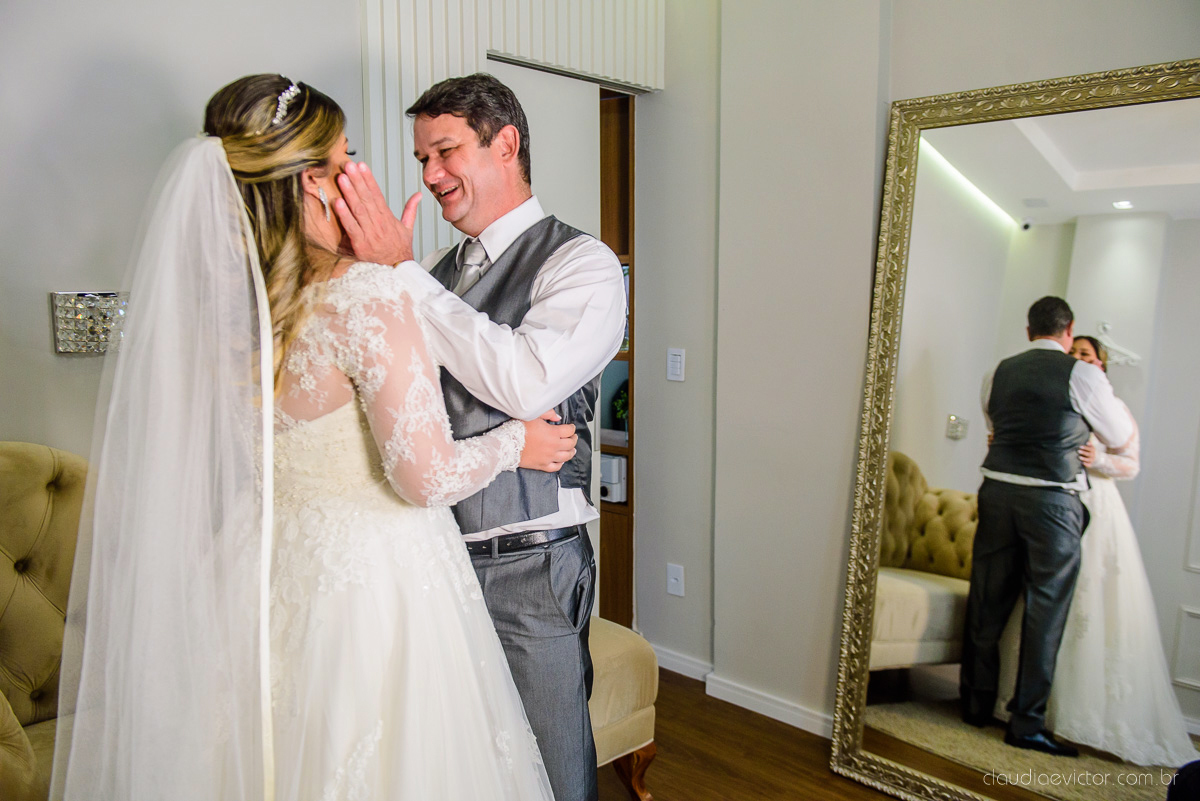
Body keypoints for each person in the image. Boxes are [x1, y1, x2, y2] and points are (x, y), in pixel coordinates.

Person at [52, 74, 582, 800]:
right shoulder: (368, 293)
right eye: (346, 161)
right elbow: (421, 477)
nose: (362, 179)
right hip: (374, 586)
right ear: (308, 184)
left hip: (261, 572)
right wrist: (514, 444)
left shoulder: (225, 313)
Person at [333, 73, 627, 801]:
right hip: (434, 568)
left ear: (506, 143)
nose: (430, 175)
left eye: (444, 151)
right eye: (421, 157)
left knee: (552, 777)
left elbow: (527, 381)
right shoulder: (433, 276)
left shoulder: (582, 266)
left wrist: (401, 275)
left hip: (531, 571)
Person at [992, 335, 1198, 766]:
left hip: (1098, 507)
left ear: (1100, 365)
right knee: (1043, 600)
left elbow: (1131, 463)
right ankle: (1029, 706)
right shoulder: (1064, 396)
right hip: (1057, 503)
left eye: (1086, 355)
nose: (1078, 358)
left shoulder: (1113, 408)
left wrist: (1098, 460)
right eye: (1074, 353)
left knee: (1091, 603)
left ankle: (1083, 713)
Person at [960, 296, 1133, 757]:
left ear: (1028, 330)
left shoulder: (997, 372)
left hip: (996, 491)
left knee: (986, 599)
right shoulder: (1084, 374)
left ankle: (974, 705)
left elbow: (995, 427)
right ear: (1068, 331)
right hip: (1051, 501)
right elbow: (1117, 436)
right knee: (1045, 609)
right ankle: (1026, 724)